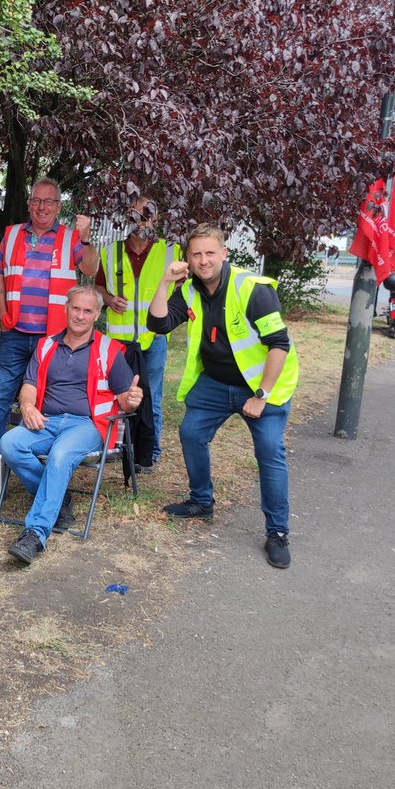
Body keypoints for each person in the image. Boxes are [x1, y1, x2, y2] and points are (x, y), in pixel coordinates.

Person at [147, 223, 299, 569]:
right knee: (190, 432)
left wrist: (261, 395)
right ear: (188, 258)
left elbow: (279, 344)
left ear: (224, 253)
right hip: (216, 382)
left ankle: (277, 532)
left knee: (269, 452)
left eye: (210, 252)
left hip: (262, 385)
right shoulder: (188, 290)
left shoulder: (252, 288)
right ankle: (201, 501)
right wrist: (166, 282)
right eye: (196, 254)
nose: (203, 261)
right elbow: (157, 325)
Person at [0, 178, 98, 475]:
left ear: (58, 206)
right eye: (36, 200)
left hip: (54, 337)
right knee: (2, 394)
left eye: (49, 202)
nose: (42, 207)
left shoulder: (71, 238)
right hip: (16, 332)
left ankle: (37, 455)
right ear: (29, 203)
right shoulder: (14, 234)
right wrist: (4, 313)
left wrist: (85, 239)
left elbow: (91, 268)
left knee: (47, 398)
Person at [0, 286, 143, 564]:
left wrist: (133, 401)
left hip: (88, 425)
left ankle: (35, 534)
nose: (80, 315)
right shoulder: (47, 345)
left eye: (87, 310)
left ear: (97, 314)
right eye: (76, 308)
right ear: (66, 307)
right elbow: (29, 385)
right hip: (48, 420)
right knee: (9, 444)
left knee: (61, 455)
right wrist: (28, 406)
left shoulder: (108, 349)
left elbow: (125, 401)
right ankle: (58, 497)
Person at [95, 196, 180, 471]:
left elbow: (184, 290)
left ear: (156, 219)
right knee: (118, 396)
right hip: (119, 341)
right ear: (126, 217)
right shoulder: (110, 252)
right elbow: (97, 288)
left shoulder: (171, 251)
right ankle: (118, 448)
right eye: (135, 214)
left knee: (151, 397)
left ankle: (150, 454)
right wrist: (108, 299)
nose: (141, 220)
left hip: (154, 339)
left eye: (147, 215)